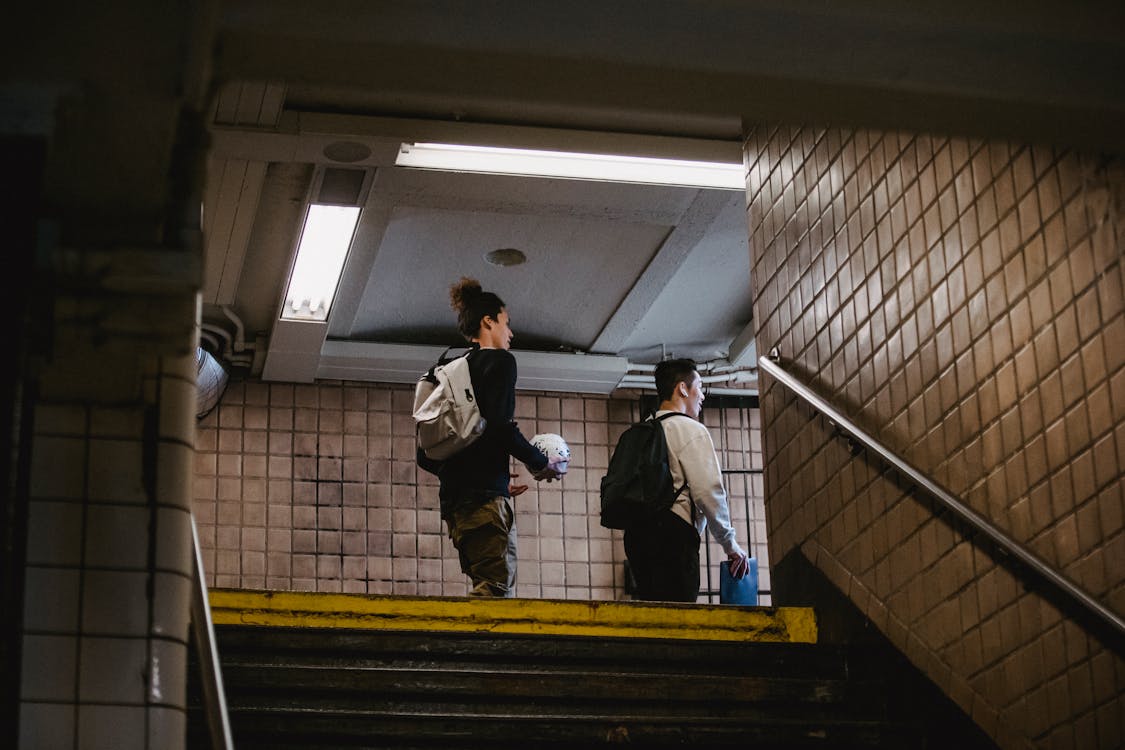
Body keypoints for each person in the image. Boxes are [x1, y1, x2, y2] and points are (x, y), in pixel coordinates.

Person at [418, 277, 564, 597]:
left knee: (485, 587)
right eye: (506, 323)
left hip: (456, 509)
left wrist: (490, 475)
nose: (510, 333)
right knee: (496, 593)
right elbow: (500, 426)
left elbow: (425, 454)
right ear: (489, 321)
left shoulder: (449, 372)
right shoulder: (500, 362)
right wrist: (542, 463)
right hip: (484, 504)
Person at [624, 358, 750, 602]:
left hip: (636, 536)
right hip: (674, 535)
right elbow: (708, 492)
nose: (702, 395)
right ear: (682, 388)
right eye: (699, 387)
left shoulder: (640, 432)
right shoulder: (690, 430)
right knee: (679, 612)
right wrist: (729, 543)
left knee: (652, 612)